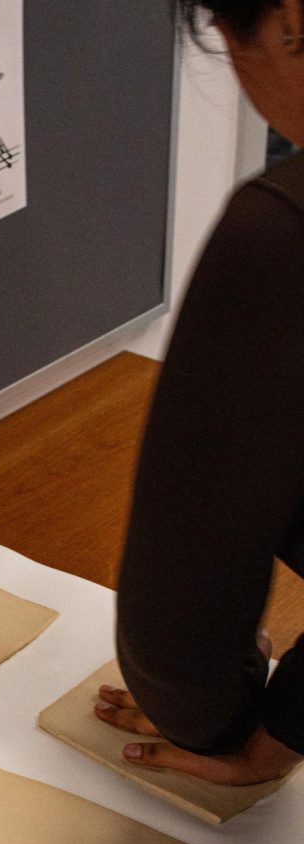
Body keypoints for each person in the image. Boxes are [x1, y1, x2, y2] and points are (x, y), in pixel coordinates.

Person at [93, 0, 304, 785]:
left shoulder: (283, 234)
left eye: (222, 31)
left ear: (288, 19)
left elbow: (177, 610)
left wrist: (226, 723)